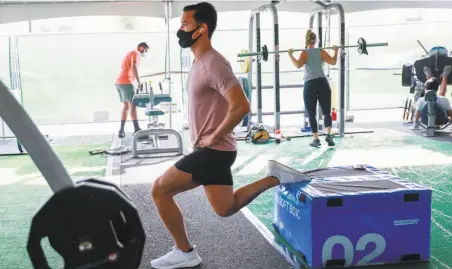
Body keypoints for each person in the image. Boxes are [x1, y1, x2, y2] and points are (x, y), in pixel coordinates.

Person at [149, 2, 310, 269]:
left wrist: (214, 136)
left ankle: (185, 251)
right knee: (225, 208)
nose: (180, 30)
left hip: (213, 151)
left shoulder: (214, 63)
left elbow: (241, 106)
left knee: (159, 190)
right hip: (216, 152)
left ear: (202, 29)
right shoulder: (199, 62)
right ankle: (276, 178)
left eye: (185, 24)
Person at [287, 29, 339, 148]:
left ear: (306, 40)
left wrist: (290, 54)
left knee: (311, 113)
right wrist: (336, 51)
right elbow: (333, 61)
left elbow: (297, 65)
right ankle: (329, 135)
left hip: (310, 84)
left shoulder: (304, 52)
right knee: (326, 112)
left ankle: (316, 139)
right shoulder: (321, 52)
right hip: (322, 82)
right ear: (316, 41)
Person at [115, 42, 149, 138]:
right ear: (141, 48)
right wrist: (139, 81)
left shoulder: (130, 53)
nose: (145, 53)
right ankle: (137, 129)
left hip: (119, 81)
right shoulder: (136, 53)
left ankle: (121, 130)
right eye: (145, 51)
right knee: (132, 106)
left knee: (125, 106)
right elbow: (133, 67)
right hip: (126, 81)